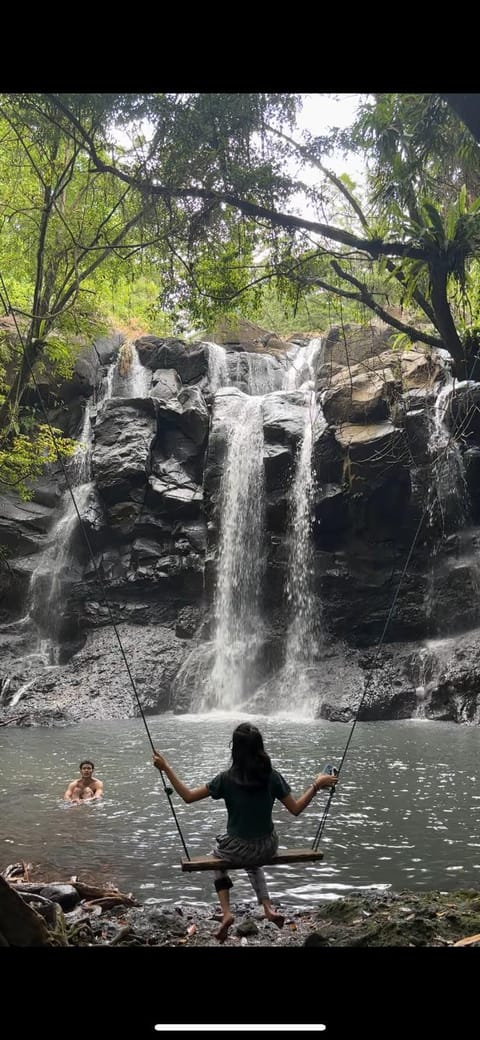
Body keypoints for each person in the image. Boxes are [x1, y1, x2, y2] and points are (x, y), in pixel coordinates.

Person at [152, 721, 338, 942]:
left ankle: (227, 913)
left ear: (235, 750)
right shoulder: (271, 776)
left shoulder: (226, 778)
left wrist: (166, 768)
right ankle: (267, 907)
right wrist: (317, 784)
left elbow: (188, 797)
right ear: (260, 748)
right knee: (252, 857)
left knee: (218, 859)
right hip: (267, 846)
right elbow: (296, 809)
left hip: (238, 848)